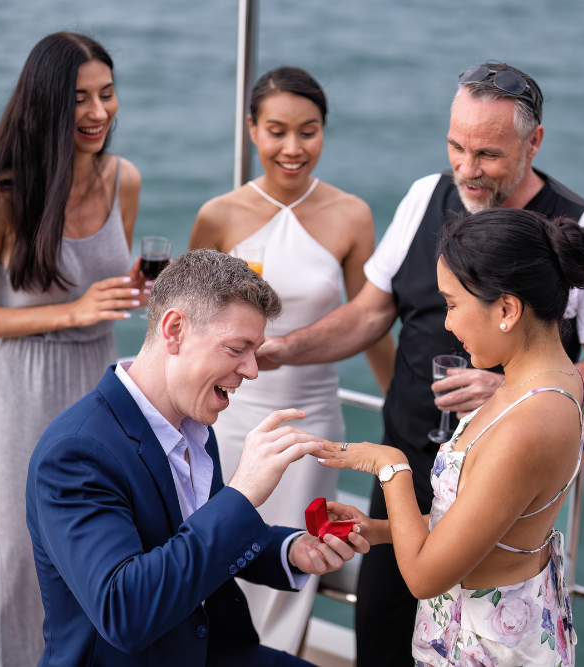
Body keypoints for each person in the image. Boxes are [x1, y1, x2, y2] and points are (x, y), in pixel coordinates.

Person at [256, 62, 584, 665]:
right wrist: (281, 349)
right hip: (416, 473)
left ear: (534, 141)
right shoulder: (422, 196)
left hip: (491, 481)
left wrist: (505, 388)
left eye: (486, 153)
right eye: (455, 146)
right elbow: (368, 314)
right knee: (382, 636)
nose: (465, 168)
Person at [26, 250, 369, 667]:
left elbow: (200, 535)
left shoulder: (195, 428)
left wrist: (292, 549)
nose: (253, 370)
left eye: (255, 350)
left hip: (212, 651)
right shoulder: (76, 453)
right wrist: (243, 493)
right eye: (237, 348)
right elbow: (125, 612)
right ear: (174, 331)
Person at [0, 32, 145, 667]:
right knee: (23, 553)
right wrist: (74, 310)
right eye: (79, 98)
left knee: (105, 540)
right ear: (45, 105)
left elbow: (104, 281)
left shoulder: (123, 179)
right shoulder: (2, 198)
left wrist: (134, 288)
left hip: (99, 378)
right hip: (18, 390)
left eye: (107, 95)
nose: (98, 112)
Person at [319, 209, 584, 667]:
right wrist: (380, 530)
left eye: (452, 304)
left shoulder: (524, 427)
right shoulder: (567, 387)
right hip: (520, 627)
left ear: (507, 310)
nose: (447, 324)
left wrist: (390, 466)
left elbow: (424, 578)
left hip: (480, 649)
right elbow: (485, 527)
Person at [189, 65, 395, 653]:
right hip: (226, 420)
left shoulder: (352, 215)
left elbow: (371, 320)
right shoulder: (218, 215)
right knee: (219, 559)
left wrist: (396, 403)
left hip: (311, 424)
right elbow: (194, 329)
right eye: (276, 130)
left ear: (324, 132)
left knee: (294, 567)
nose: (292, 147)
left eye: (308, 131)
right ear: (252, 129)